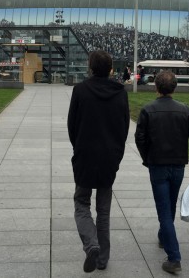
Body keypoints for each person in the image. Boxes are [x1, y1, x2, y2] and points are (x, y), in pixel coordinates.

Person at [135, 71, 189, 274]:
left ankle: (174, 258)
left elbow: (140, 137)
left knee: (164, 210)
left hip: (158, 164)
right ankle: (163, 235)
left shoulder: (148, 110)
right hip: (177, 165)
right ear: (174, 88)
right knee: (169, 204)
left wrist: (147, 158)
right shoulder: (185, 110)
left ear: (156, 87)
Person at [67, 50, 130, 273]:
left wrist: (78, 148)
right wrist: (117, 154)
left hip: (85, 156)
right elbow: (124, 127)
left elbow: (71, 126)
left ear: (91, 67)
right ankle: (102, 258)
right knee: (103, 211)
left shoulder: (80, 91)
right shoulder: (120, 93)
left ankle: (91, 245)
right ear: (111, 69)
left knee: (81, 203)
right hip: (108, 157)